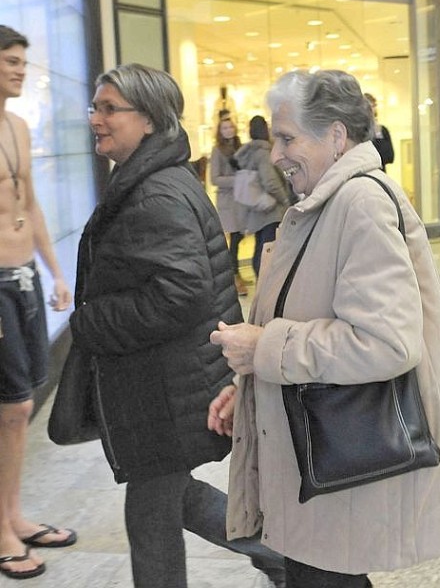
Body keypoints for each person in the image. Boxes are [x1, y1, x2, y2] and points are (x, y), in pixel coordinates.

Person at [209, 69, 440, 588]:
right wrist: (248, 387)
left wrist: (264, 349)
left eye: (288, 139)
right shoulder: (323, 203)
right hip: (320, 458)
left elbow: (386, 342)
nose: (277, 153)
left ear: (335, 135)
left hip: (339, 464)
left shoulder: (361, 204)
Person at [73, 63, 285, 588]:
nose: (96, 119)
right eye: (95, 107)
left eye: (109, 109)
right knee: (166, 501)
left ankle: (292, 560)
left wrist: (92, 320)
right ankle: (287, 558)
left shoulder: (155, 193)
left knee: (150, 515)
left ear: (148, 119)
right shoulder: (151, 180)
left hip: (165, 388)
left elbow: (180, 292)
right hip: (166, 383)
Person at [0, 24, 74, 581]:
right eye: (9, 61)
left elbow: (32, 204)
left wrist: (55, 272)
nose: (20, 69)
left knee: (19, 409)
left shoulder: (19, 126)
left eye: (23, 61)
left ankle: (13, 516)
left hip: (24, 275)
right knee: (12, 407)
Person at [233, 115, 293, 277]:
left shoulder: (249, 152)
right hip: (270, 210)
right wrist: (285, 199)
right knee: (268, 251)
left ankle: (262, 282)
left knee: (260, 247)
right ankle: (265, 286)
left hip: (257, 209)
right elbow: (270, 181)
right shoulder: (263, 153)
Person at [210, 113, 248, 296]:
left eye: (231, 127)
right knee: (233, 238)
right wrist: (237, 180)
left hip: (242, 199)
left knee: (239, 237)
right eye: (225, 128)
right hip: (228, 200)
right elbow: (215, 178)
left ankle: (236, 273)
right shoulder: (217, 150)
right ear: (220, 131)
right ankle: (234, 275)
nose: (229, 131)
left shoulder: (240, 146)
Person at [364, 93, 394, 171]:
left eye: (374, 106)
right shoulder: (358, 131)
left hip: (380, 173)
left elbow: (389, 157)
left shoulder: (382, 130)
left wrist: (378, 134)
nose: (372, 109)